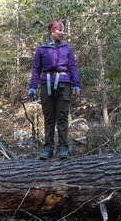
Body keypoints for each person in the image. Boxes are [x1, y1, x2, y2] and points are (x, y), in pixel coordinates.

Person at [28, 20, 81, 159]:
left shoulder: (67, 48)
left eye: (63, 30)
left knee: (62, 117)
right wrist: (32, 88)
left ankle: (63, 148)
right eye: (59, 30)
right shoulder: (42, 48)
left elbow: (72, 68)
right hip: (47, 84)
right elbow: (36, 69)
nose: (62, 33)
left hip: (64, 84)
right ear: (52, 31)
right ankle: (48, 149)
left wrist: (76, 85)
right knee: (49, 117)